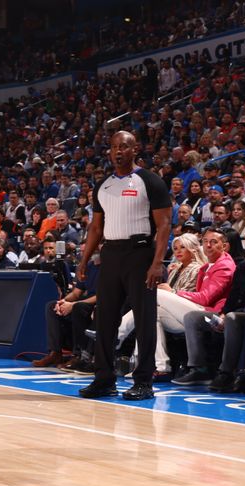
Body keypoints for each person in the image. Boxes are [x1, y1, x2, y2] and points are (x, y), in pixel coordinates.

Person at [76, 131, 172, 401]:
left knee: (144, 320)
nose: (119, 151)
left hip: (141, 254)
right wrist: (84, 260)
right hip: (111, 255)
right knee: (105, 319)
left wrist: (157, 263)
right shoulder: (103, 185)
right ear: (110, 151)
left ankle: (144, 381)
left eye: (125, 147)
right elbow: (96, 227)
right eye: (115, 147)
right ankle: (104, 379)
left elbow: (164, 225)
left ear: (135, 149)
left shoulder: (149, 180)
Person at [114, 233, 205, 377]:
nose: (178, 251)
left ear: (193, 249)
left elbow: (194, 296)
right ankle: (156, 366)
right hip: (174, 315)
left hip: (191, 313)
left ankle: (116, 335)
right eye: (175, 248)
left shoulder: (199, 268)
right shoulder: (175, 269)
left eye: (183, 247)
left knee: (152, 295)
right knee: (148, 315)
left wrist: (172, 291)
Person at [177, 255, 245, 391]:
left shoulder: (225, 266)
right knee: (193, 318)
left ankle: (226, 373)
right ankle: (200, 369)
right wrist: (222, 314)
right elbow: (233, 298)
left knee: (232, 318)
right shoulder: (243, 267)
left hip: (240, 315)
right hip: (235, 312)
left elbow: (206, 298)